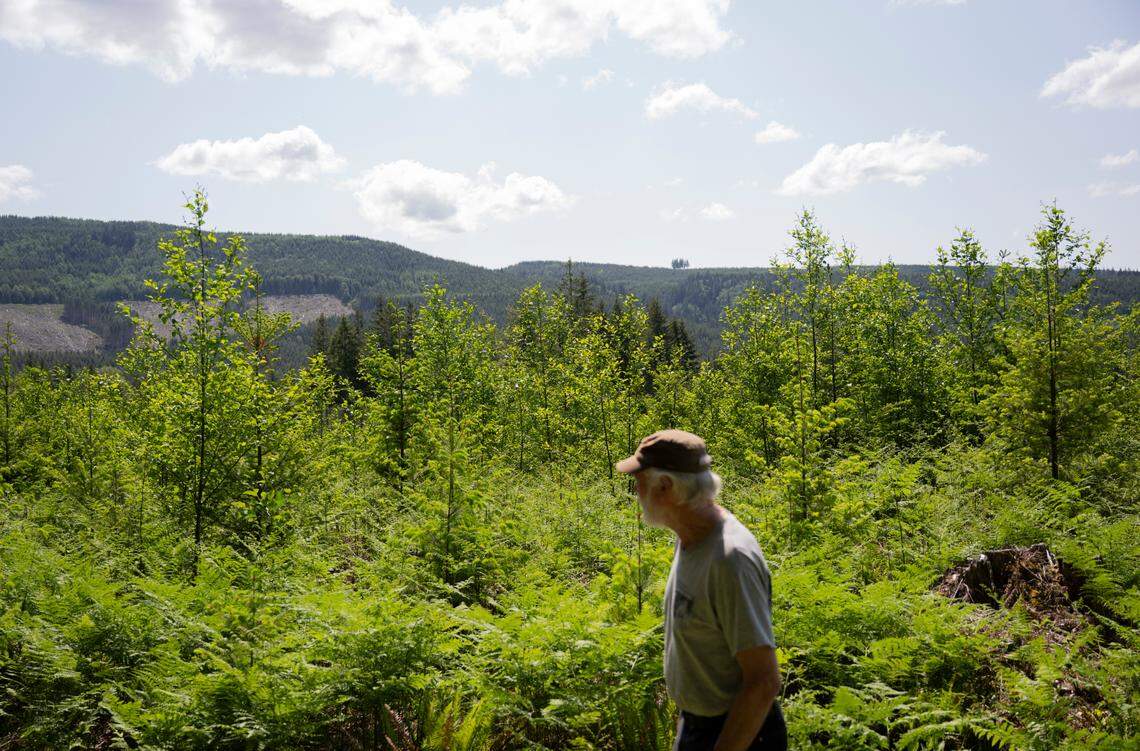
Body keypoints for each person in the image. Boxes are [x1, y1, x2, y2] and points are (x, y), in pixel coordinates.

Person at [617, 430, 786, 751]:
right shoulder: (690, 536)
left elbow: (763, 682)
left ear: (666, 487)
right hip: (698, 725)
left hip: (741, 734)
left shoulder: (729, 560)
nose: (636, 493)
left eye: (639, 483)